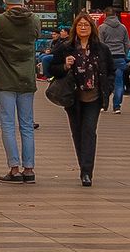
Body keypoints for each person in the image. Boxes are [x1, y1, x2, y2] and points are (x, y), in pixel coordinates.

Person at [44, 12, 111, 185]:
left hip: (94, 96)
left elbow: (110, 70)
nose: (83, 28)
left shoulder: (101, 48)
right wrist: (65, 65)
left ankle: (87, 171)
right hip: (72, 96)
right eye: (80, 25)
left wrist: (108, 89)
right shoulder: (66, 47)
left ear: (92, 28)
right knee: (77, 132)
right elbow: (52, 69)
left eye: (86, 25)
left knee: (89, 130)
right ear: (75, 28)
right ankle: (83, 165)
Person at [0, 0, 39, 183]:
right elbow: (36, 35)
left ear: (6, 0)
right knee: (26, 124)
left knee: (8, 124)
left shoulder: (1, 20)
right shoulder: (33, 19)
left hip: (5, 76)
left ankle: (14, 168)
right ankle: (29, 168)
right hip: (27, 77)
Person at [97, 10, 130, 112]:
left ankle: (104, 104)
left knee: (104, 82)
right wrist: (124, 53)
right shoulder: (123, 27)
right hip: (120, 56)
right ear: (115, 15)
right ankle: (117, 106)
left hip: (106, 58)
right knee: (119, 82)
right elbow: (127, 43)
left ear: (105, 15)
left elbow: (100, 43)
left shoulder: (102, 27)